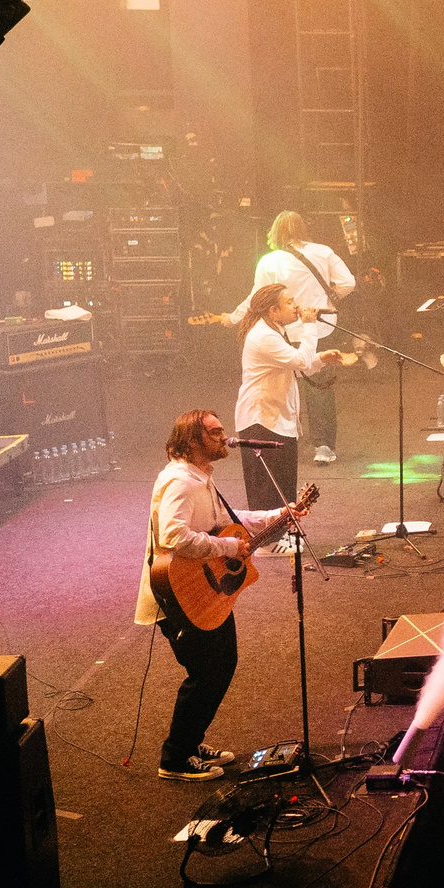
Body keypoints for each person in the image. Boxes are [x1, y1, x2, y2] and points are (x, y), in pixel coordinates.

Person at [134, 410, 290, 781]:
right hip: (180, 593)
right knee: (206, 673)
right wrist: (226, 549)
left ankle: (190, 741)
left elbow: (230, 519)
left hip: (208, 590)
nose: (225, 437)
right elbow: (173, 537)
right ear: (192, 440)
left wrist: (279, 514)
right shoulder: (181, 482)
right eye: (215, 432)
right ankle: (174, 758)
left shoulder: (200, 477)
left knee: (223, 664)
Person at [228, 212, 358, 466]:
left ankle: (284, 435)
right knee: (320, 388)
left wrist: (233, 317)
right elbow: (348, 283)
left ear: (275, 233)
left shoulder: (270, 260)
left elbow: (257, 297)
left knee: (284, 383)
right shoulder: (323, 251)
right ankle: (324, 445)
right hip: (322, 326)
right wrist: (327, 301)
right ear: (303, 229)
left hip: (287, 329)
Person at [234, 281, 354, 506]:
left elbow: (295, 367)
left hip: (275, 420)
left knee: (283, 494)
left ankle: (283, 540)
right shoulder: (264, 336)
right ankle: (270, 541)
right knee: (267, 496)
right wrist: (310, 325)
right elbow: (300, 360)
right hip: (262, 422)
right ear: (273, 311)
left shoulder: (275, 332)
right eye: (289, 302)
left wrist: (320, 359)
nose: (296, 306)